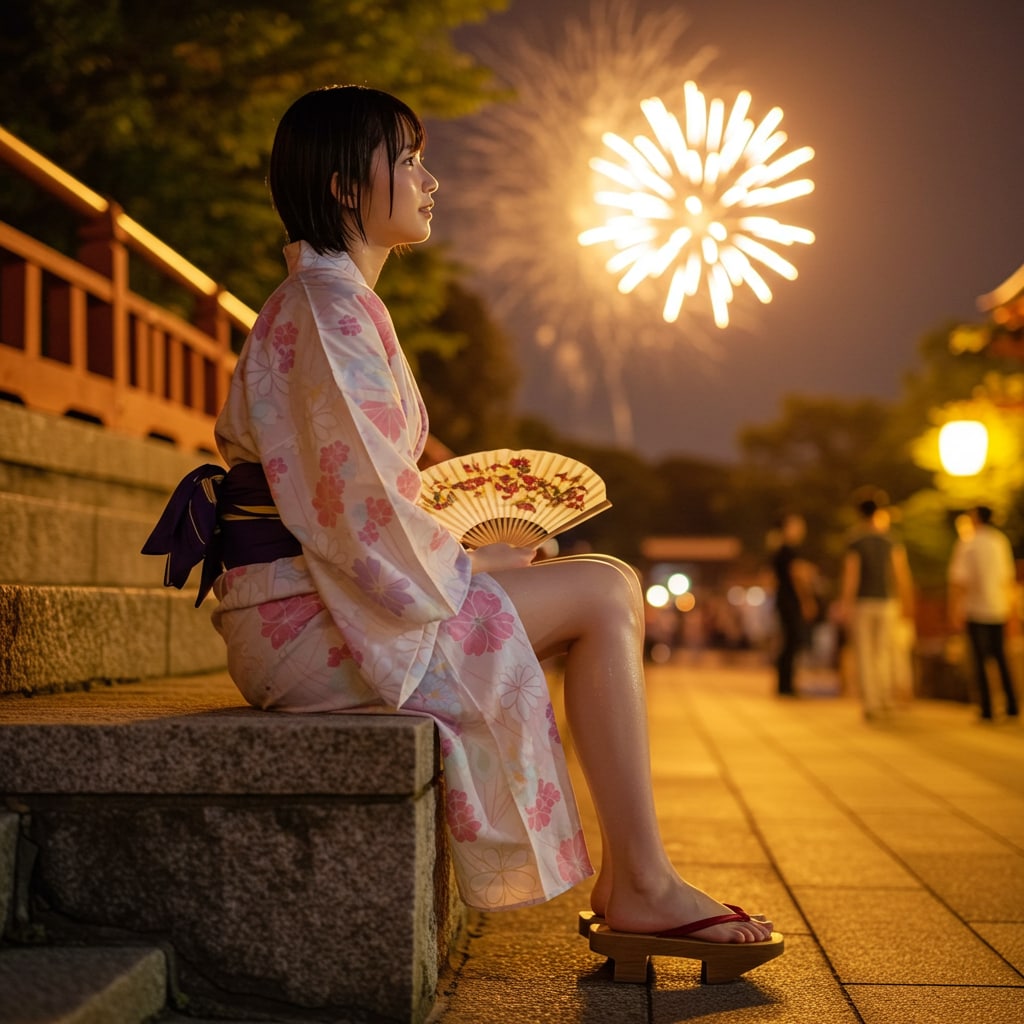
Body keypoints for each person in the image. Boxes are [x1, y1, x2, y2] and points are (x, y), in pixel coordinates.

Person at [143, 85, 779, 974]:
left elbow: (363, 490)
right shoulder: (325, 310)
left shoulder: (333, 304)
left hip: (310, 604)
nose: (429, 180)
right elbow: (355, 503)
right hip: (307, 624)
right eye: (405, 161)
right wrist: (474, 556)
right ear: (342, 187)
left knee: (595, 585)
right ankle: (641, 883)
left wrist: (478, 555)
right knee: (606, 590)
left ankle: (639, 878)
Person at [839, 496, 915, 720]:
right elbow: (901, 574)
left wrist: (846, 603)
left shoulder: (855, 541)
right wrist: (906, 601)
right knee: (884, 651)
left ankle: (871, 703)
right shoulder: (890, 540)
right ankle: (885, 699)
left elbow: (851, 575)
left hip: (863, 602)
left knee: (865, 653)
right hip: (888, 602)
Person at [948, 505, 1020, 722]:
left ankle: (987, 708)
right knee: (1000, 657)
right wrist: (1012, 608)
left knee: (980, 660)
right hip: (998, 607)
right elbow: (1008, 577)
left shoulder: (968, 543)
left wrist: (955, 608)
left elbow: (959, 580)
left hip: (976, 608)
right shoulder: (1000, 541)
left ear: (976, 518)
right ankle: (1012, 706)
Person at [769, 513, 817, 696]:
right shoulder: (788, 550)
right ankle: (786, 685)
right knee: (792, 641)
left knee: (789, 641)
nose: (801, 530)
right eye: (797, 526)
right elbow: (797, 576)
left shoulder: (780, 549)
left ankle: (785, 684)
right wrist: (807, 600)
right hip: (790, 602)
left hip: (783, 601)